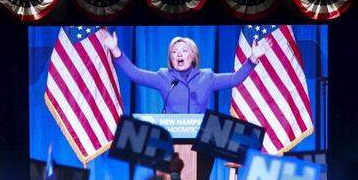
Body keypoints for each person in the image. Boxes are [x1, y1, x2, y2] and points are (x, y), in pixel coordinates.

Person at [103, 30, 272, 113]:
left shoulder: (207, 77)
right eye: (175, 52)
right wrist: (115, 50)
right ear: (171, 58)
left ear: (192, 56)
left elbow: (235, 79)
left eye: (184, 51)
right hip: (170, 140)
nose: (179, 54)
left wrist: (252, 59)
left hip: (199, 140)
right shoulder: (163, 77)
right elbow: (134, 74)